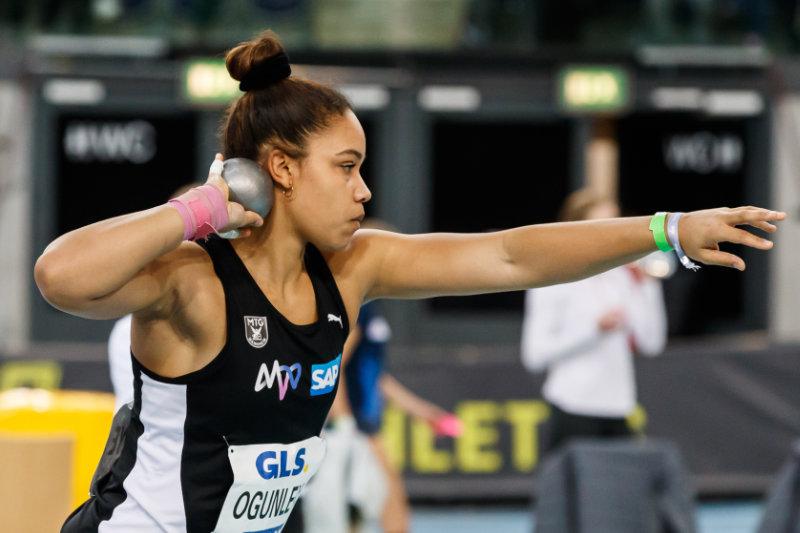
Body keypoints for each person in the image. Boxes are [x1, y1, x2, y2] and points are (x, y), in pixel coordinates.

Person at [33, 29, 784, 533]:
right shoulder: (194, 281)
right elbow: (59, 275)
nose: (365, 193)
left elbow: (511, 256)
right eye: (348, 168)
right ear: (281, 170)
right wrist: (200, 208)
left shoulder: (357, 270)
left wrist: (666, 229)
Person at [521, 189, 668, 456]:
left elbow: (652, 344)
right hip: (572, 406)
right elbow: (534, 355)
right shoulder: (554, 276)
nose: (609, 235)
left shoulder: (624, 276)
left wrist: (648, 286)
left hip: (620, 407)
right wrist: (593, 329)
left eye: (614, 224)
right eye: (600, 227)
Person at [303, 292, 461, 533]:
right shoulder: (355, 305)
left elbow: (375, 376)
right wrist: (346, 425)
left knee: (370, 514)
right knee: (375, 513)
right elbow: (332, 367)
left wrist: (421, 411)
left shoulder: (373, 305)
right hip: (354, 429)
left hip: (363, 426)